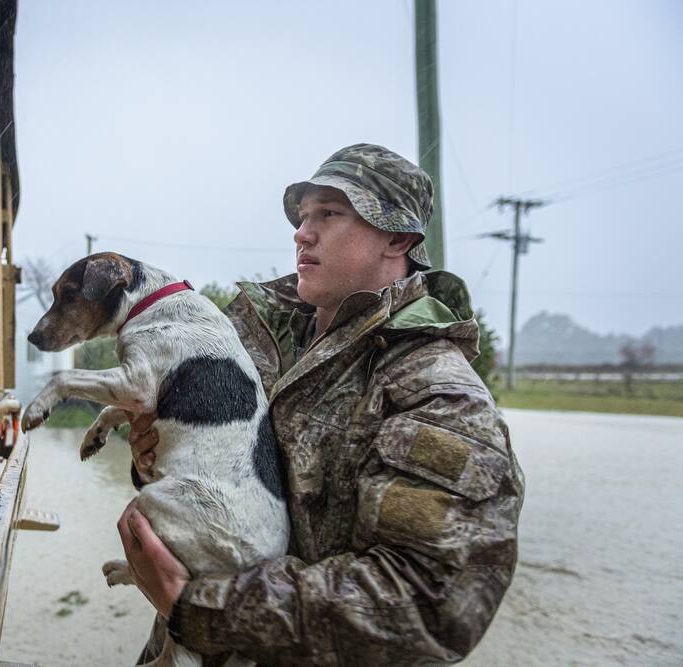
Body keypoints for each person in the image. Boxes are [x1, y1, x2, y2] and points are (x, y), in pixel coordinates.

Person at [118, 143, 525, 666]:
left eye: (329, 214)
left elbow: (426, 600)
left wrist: (196, 607)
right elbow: (205, 470)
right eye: (303, 215)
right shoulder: (245, 338)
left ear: (398, 237)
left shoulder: (436, 392)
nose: (301, 232)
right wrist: (152, 456)